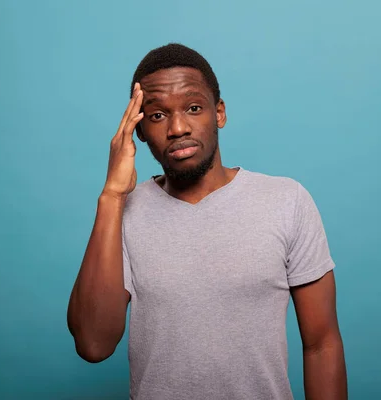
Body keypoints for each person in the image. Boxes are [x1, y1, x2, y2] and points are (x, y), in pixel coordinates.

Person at [67, 43, 347, 400]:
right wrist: (111, 196)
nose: (178, 127)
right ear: (138, 131)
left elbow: (322, 344)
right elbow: (93, 344)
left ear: (219, 113)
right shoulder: (122, 215)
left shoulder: (286, 201)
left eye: (194, 108)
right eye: (157, 115)